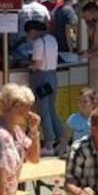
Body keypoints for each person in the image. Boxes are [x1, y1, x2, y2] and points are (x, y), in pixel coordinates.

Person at [24, 18, 61, 154]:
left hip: (41, 78)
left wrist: (29, 66)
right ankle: (60, 138)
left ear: (33, 31)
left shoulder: (39, 42)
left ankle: (49, 143)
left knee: (43, 111)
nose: (29, 37)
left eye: (29, 34)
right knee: (52, 109)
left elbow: (37, 64)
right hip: (52, 76)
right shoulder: (52, 39)